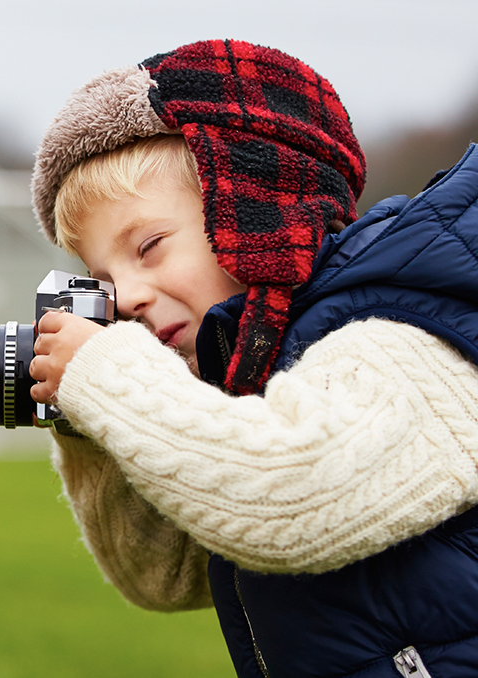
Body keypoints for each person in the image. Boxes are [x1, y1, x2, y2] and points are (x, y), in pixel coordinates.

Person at [27, 39, 478, 678]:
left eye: (149, 245)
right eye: (102, 276)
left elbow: (294, 496)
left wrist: (110, 376)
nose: (125, 297)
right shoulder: (260, 369)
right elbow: (165, 577)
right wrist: (88, 424)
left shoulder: (404, 334)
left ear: (255, 203)